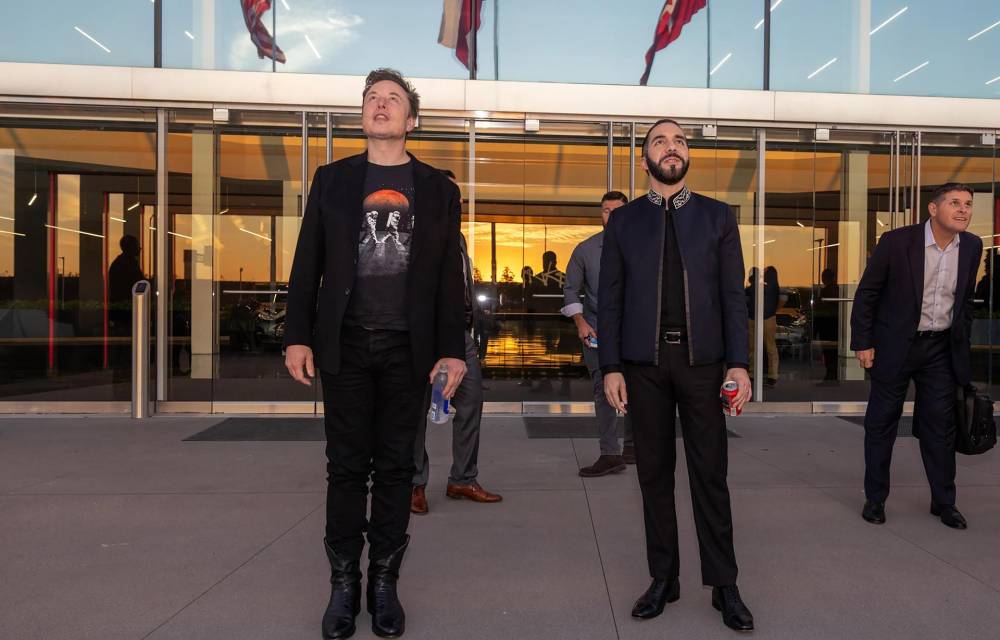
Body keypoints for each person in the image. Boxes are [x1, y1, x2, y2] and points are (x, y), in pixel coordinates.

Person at [284, 68, 468, 640]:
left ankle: (384, 582)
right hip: (345, 345)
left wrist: (452, 350)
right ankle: (343, 586)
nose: (380, 105)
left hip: (407, 350)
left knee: (394, 469)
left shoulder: (439, 188)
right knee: (345, 468)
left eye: (392, 99)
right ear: (362, 114)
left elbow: (447, 280)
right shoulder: (332, 180)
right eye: (372, 98)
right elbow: (306, 261)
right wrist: (297, 334)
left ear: (411, 120)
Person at [598, 118, 754, 632]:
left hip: (704, 365)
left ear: (689, 156)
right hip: (643, 368)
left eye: (680, 141)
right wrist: (612, 367)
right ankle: (663, 578)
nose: (672, 147)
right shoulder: (624, 222)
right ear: (645, 159)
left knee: (710, 474)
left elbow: (735, 297)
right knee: (653, 476)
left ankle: (724, 583)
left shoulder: (717, 217)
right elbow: (612, 302)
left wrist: (738, 363)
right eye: (660, 141)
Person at [851, 182, 982, 530]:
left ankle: (944, 502)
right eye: (954, 202)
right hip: (896, 346)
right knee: (882, 424)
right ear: (933, 209)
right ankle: (875, 499)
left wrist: (961, 351)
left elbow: (965, 304)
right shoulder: (897, 242)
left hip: (940, 350)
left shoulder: (971, 246)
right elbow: (867, 295)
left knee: (941, 427)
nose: (963, 209)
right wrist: (863, 343)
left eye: (968, 204)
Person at [410, 169, 502, 515]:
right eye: (450, 196)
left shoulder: (458, 239)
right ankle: (414, 484)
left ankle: (462, 478)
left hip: (459, 335)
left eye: (458, 199)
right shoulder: (414, 236)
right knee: (416, 410)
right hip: (422, 336)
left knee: (471, 400)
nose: (456, 203)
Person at [562, 191, 636, 476]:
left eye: (617, 210)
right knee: (602, 389)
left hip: (634, 332)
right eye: (606, 210)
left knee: (637, 389)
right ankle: (610, 453)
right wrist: (581, 323)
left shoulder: (646, 248)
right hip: (597, 331)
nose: (612, 215)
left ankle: (632, 447)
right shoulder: (586, 250)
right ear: (601, 214)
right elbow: (570, 289)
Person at [108, 235, 145, 395]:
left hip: (124, 314)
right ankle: (125, 385)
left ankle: (124, 384)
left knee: (125, 351)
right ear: (130, 247)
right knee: (126, 351)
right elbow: (134, 288)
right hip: (126, 315)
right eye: (138, 245)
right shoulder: (125, 265)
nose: (140, 248)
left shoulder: (121, 264)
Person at [746, 265, 781, 387]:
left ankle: (753, 372)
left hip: (755, 318)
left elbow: (748, 293)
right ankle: (772, 375)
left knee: (753, 347)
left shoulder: (759, 286)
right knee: (770, 347)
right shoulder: (773, 286)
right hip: (767, 317)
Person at [814, 268, 840, 382]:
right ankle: (832, 374)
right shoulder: (837, 290)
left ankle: (831, 374)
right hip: (834, 325)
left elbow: (820, 310)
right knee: (832, 351)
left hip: (827, 325)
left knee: (829, 351)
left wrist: (815, 329)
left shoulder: (826, 292)